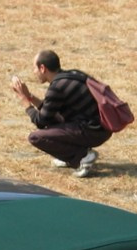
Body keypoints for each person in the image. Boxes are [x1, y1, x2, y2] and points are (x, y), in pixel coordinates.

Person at [10, 50, 111, 178]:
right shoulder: (71, 75)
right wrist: (29, 96)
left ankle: (83, 156)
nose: (33, 72)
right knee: (52, 123)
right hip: (100, 128)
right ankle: (73, 156)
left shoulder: (57, 87)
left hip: (92, 132)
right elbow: (49, 113)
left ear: (42, 68)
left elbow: (40, 121)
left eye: (34, 68)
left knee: (36, 137)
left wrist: (25, 102)